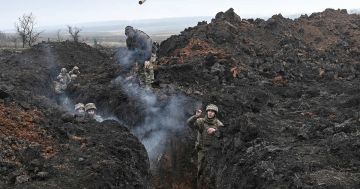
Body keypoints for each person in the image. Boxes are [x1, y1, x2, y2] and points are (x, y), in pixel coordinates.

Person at [187, 104, 224, 179]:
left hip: (213, 152)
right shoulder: (201, 121)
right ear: (207, 112)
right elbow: (189, 123)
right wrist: (196, 116)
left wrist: (215, 130)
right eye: (209, 111)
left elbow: (223, 133)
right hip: (201, 149)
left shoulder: (218, 123)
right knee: (200, 169)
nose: (210, 112)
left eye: (212, 111)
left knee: (211, 172)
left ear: (215, 114)